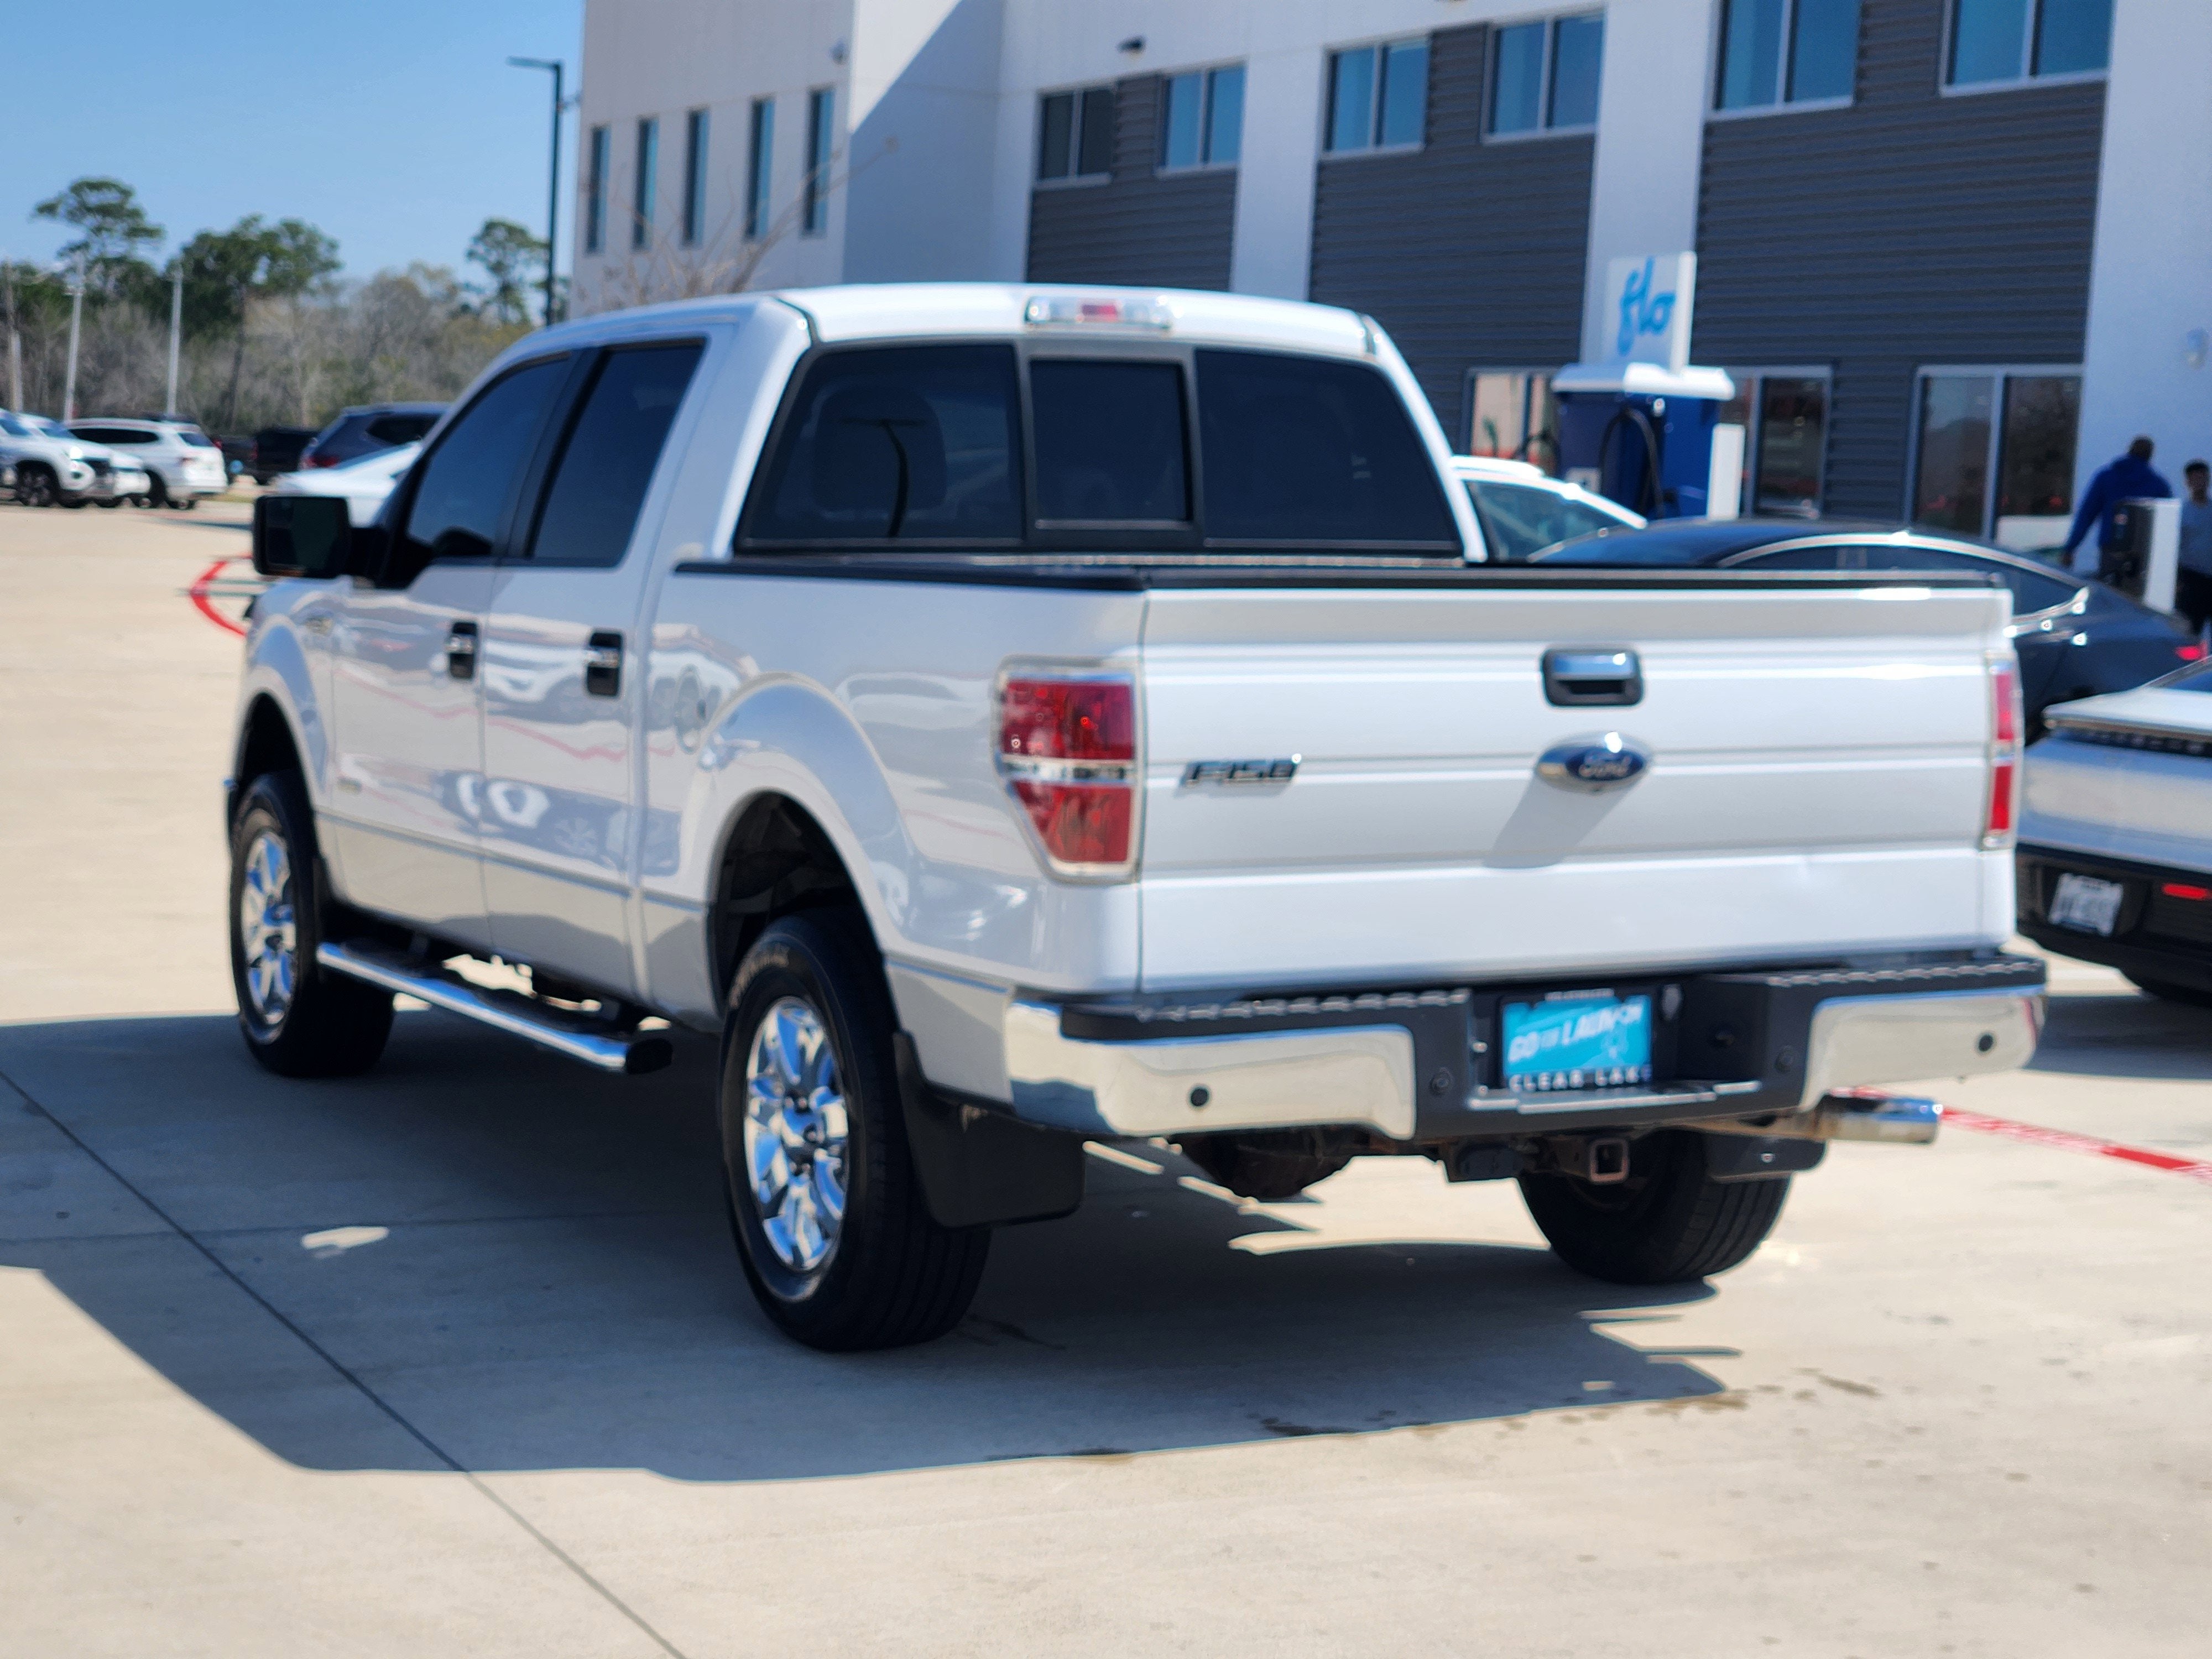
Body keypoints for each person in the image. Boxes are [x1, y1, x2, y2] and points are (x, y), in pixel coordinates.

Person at [2064, 436, 2171, 576]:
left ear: (2129, 451)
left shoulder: (2106, 477)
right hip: (2143, 551)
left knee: (2109, 586)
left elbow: (2087, 515)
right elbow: (2167, 524)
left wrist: (2070, 548)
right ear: (2150, 455)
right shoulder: (2158, 485)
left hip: (2111, 546)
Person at [2179, 460, 2212, 632]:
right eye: (2196, 479)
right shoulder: (2182, 512)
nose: (2201, 483)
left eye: (2204, 479)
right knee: (2191, 629)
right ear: (2188, 482)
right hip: (2191, 578)